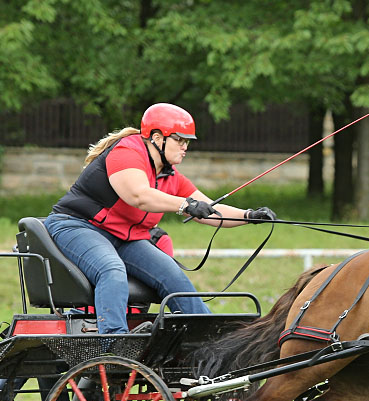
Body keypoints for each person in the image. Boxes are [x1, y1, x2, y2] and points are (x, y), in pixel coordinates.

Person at [43, 103, 277, 334]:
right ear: (157, 137)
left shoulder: (170, 176)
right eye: (180, 140)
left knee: (173, 275)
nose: (185, 147)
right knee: (111, 270)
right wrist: (185, 204)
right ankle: (114, 342)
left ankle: (210, 339)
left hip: (123, 237)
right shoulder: (127, 152)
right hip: (77, 226)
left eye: (187, 142)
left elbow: (211, 211)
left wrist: (249, 216)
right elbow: (138, 196)